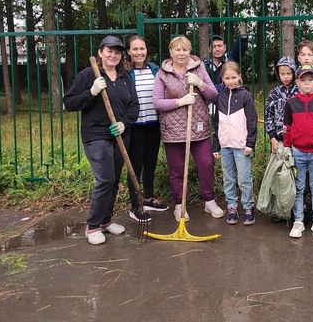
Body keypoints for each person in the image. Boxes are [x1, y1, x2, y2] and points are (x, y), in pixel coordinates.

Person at [64, 36, 139, 245]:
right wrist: (91, 92)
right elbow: (69, 103)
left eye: (117, 52)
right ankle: (93, 226)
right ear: (100, 53)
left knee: (113, 180)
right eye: (109, 51)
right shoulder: (89, 75)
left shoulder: (124, 77)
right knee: (105, 179)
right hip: (96, 135)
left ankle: (106, 221)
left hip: (120, 135)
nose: (113, 55)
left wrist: (125, 123)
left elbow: (134, 104)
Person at [153, 36, 224, 222]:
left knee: (206, 164)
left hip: (199, 128)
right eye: (177, 50)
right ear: (171, 52)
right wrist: (179, 102)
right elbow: (157, 102)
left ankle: (209, 201)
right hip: (173, 131)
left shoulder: (198, 68)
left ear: (189, 51)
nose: (181, 53)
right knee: (177, 169)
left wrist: (200, 83)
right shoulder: (163, 74)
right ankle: (180, 205)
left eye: (185, 49)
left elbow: (214, 94)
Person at [284, 65, 313, 239]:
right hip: (297, 151)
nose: (306, 83)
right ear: (297, 82)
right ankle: (298, 220)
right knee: (299, 187)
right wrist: (287, 148)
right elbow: (287, 128)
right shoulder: (291, 103)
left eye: (310, 80)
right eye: (303, 80)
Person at [125, 35, 169, 224]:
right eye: (135, 49)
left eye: (142, 48)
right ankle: (136, 206)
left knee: (150, 164)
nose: (139, 52)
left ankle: (149, 199)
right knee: (136, 166)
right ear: (128, 52)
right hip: (134, 126)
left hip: (153, 124)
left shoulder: (155, 70)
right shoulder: (124, 73)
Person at [212, 61, 258, 225]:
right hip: (225, 146)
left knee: (244, 178)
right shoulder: (220, 98)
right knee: (228, 178)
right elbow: (217, 122)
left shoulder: (245, 96)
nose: (231, 81)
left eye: (234, 77)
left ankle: (248, 207)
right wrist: (216, 145)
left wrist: (250, 144)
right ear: (222, 79)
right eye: (227, 78)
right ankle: (231, 206)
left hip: (241, 146)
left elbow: (252, 121)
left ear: (239, 77)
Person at [265, 56, 299, 156]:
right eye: (282, 74)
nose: (286, 77)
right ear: (278, 74)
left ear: (294, 73)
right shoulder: (274, 93)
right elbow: (269, 116)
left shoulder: (299, 92)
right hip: (279, 140)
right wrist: (272, 138)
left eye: (289, 73)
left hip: (297, 139)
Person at [204, 19, 249, 94]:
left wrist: (243, 24)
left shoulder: (230, 58)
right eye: (214, 46)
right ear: (209, 49)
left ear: (225, 47)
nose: (217, 49)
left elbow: (241, 45)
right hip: (211, 102)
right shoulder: (204, 65)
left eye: (220, 46)